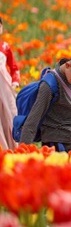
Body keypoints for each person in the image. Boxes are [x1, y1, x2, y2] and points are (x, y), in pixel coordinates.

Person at [20, 48, 71, 152]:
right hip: (57, 142)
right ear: (68, 65)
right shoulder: (49, 86)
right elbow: (32, 121)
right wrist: (22, 151)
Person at [0, 17, 19, 150]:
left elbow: (14, 67)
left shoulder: (5, 46)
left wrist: (15, 81)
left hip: (4, 84)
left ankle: (11, 146)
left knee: (10, 113)